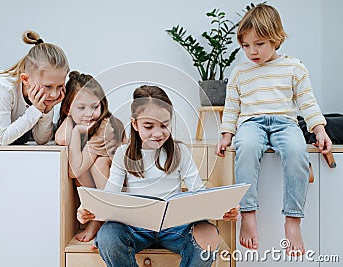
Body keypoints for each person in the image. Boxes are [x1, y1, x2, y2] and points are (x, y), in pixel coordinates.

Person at [78, 85, 239, 267]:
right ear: (135, 124)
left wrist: (221, 209)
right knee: (108, 235)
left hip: (176, 228)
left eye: (164, 125)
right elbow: (109, 197)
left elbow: (199, 193)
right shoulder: (123, 154)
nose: (158, 133)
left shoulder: (180, 152)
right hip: (135, 228)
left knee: (209, 233)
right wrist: (89, 211)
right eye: (149, 126)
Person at [216, 3, 332, 256]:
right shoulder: (240, 73)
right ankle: (248, 215)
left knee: (296, 149)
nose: (252, 51)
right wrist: (227, 135)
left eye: (259, 44)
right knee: (245, 147)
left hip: (285, 123)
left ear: (276, 38)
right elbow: (232, 107)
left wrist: (319, 129)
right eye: (246, 45)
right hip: (251, 123)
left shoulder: (294, 68)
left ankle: (293, 221)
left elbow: (307, 101)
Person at [55, 71, 125, 242]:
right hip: (103, 187)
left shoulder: (104, 127)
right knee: (89, 164)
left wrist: (77, 129)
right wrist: (70, 120)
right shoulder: (79, 122)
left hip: (124, 186)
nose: (89, 113)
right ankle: (99, 217)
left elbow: (74, 171)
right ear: (67, 109)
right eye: (81, 108)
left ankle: (102, 219)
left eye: (94, 107)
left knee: (99, 164)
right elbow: (61, 138)